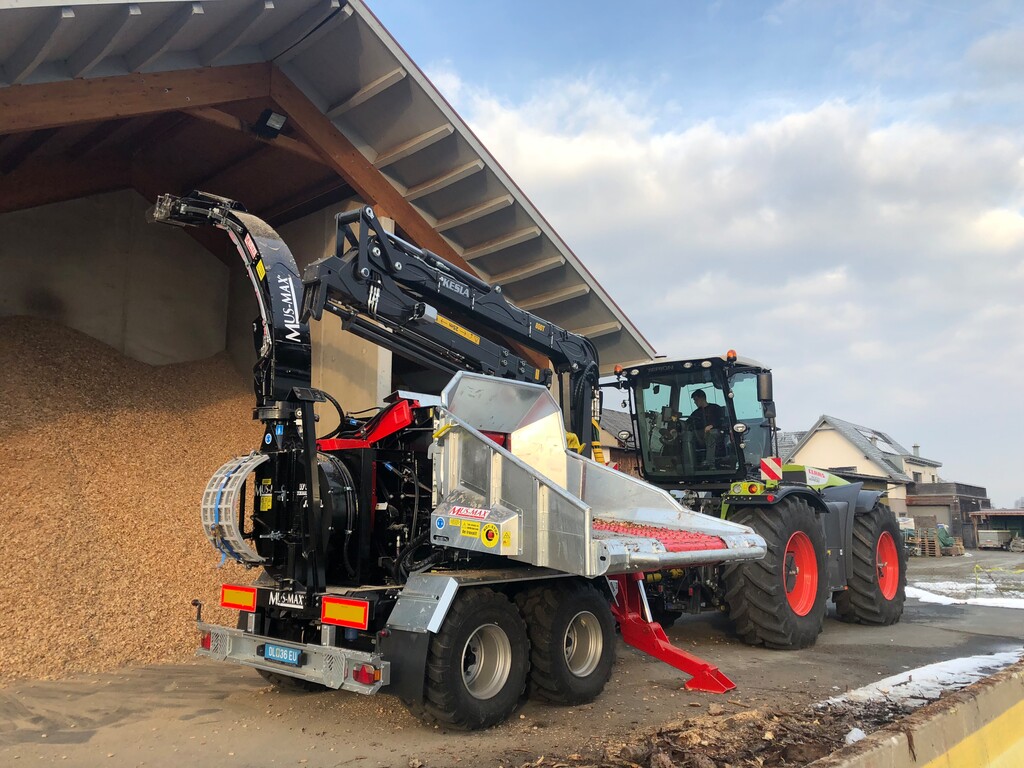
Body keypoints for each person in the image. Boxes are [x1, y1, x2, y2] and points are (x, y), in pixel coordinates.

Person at [689, 389, 726, 468]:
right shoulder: (695, 413)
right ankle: (689, 464)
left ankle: (710, 462)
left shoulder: (716, 408)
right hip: (701, 434)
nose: (695, 402)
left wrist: (711, 426)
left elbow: (722, 420)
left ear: (702, 398)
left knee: (711, 433)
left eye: (696, 400)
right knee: (687, 436)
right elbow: (688, 423)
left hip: (717, 433)